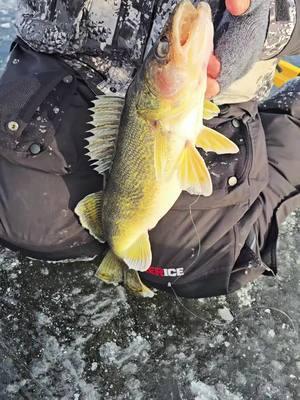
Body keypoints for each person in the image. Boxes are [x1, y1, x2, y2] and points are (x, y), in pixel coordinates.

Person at [0, 0, 299, 298]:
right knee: (26, 222)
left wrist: (271, 16)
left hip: (216, 97)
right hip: (61, 66)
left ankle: (292, 120)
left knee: (194, 263)